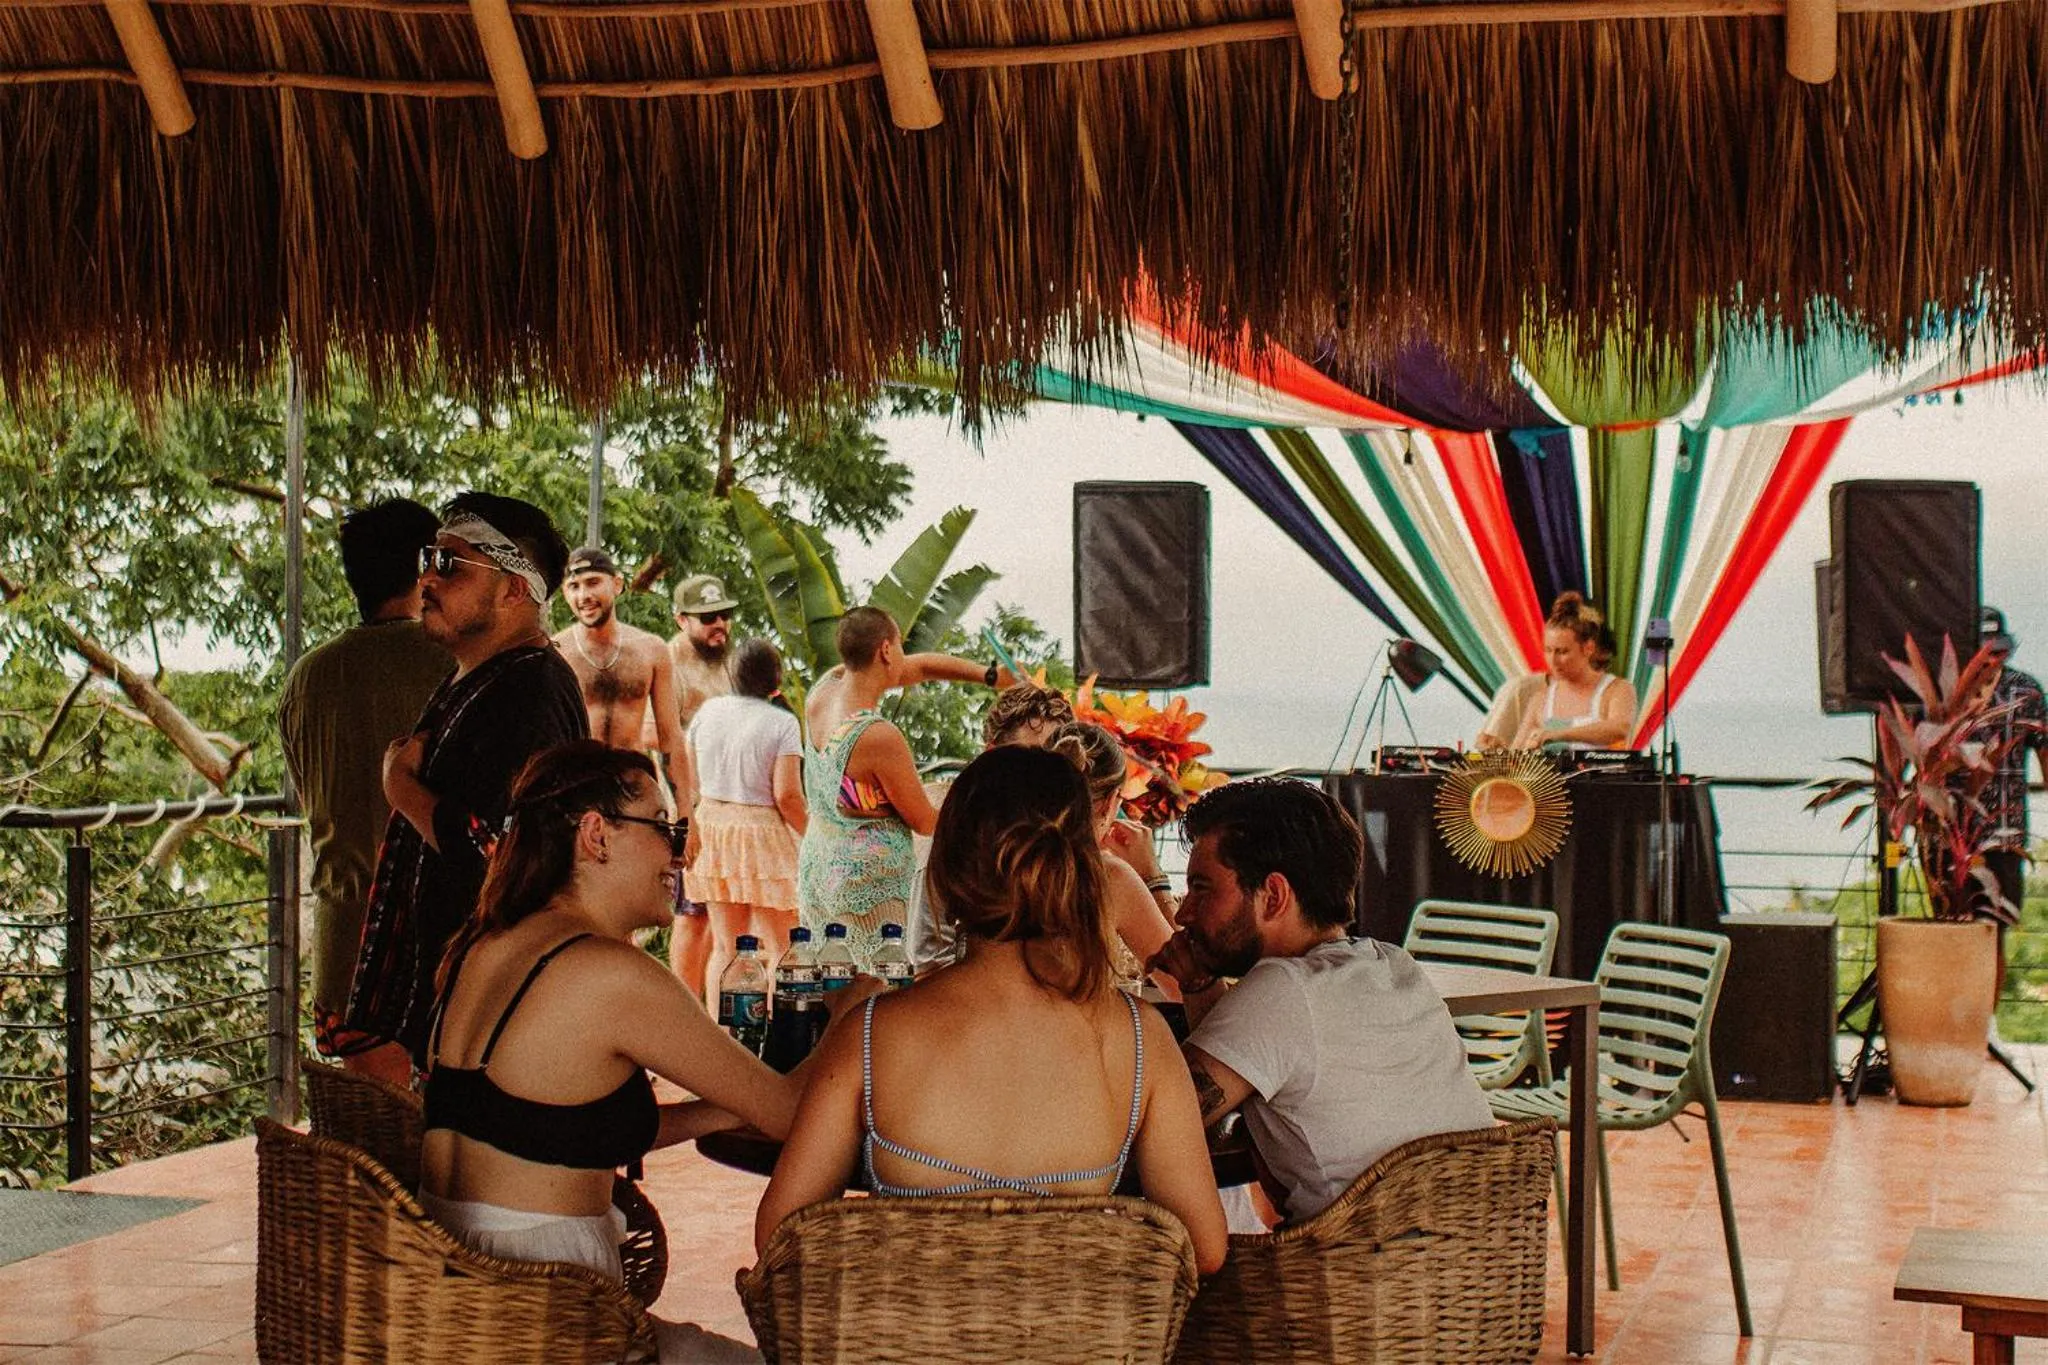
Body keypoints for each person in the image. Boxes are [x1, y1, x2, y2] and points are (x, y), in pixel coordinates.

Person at [422, 741, 868, 1364]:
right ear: (596, 835)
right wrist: (856, 1012)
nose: (680, 852)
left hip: (462, 1309)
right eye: (664, 827)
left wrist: (723, 1109)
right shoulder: (611, 973)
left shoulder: (481, 947)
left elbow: (546, 1127)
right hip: (561, 1324)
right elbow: (795, 1114)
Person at [755, 744, 1228, 1275]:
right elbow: (1205, 1249)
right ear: (1082, 870)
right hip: (1075, 1322)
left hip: (911, 1322)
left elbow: (779, 1233)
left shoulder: (873, 1030)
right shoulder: (1139, 1037)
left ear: (947, 873)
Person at [1148, 777, 1494, 1228]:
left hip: (1353, 1261)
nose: (1183, 913)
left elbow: (1156, 1122)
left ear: (1274, 896)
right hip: (1465, 1251)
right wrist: (1197, 983)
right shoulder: (1393, 963)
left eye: (1201, 888)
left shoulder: (1282, 989)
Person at [343, 492, 588, 1072]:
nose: (426, 578)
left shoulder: (529, 693)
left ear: (513, 589)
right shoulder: (486, 676)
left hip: (493, 1020)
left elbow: (500, 851)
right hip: (461, 1011)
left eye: (449, 565)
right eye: (427, 560)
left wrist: (401, 788)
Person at [279, 499, 451, 1078]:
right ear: (426, 568)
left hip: (345, 946)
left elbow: (311, 795)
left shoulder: (308, 676)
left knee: (375, 1122)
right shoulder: (455, 663)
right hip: (436, 944)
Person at [797, 606, 1012, 961]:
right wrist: (986, 810)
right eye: (899, 645)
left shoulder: (823, 692)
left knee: (828, 977)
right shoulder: (877, 736)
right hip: (867, 891)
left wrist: (990, 676)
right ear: (885, 650)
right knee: (876, 985)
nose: (904, 655)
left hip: (820, 870)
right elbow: (925, 821)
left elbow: (921, 667)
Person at [685, 638, 806, 1007]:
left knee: (727, 946)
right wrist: (813, 836)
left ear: (732, 675)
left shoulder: (708, 711)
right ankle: (782, 1032)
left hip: (713, 827)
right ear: (775, 680)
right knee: (784, 945)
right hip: (761, 834)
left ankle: (721, 1034)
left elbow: (690, 777)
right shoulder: (782, 723)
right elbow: (787, 796)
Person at [1045, 722, 1179, 993]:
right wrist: (1153, 876)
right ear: (1110, 803)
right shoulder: (1107, 878)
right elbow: (1185, 986)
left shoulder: (1001, 859)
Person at [659, 572, 739, 997]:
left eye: (723, 615)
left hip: (726, 812)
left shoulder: (728, 661)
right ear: (681, 620)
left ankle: (705, 1015)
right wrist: (681, 816)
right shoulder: (670, 663)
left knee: (715, 918)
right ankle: (683, 1010)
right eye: (707, 618)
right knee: (691, 916)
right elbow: (659, 743)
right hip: (690, 810)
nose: (719, 624)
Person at [554, 547, 687, 794]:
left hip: (634, 784)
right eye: (574, 586)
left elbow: (670, 737)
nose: (584, 595)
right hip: (578, 788)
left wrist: (684, 808)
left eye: (593, 582)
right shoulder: (557, 652)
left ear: (616, 585)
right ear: (565, 593)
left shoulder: (651, 649)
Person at [1973, 608, 2047, 1005]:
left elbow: (2045, 750)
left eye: (1999, 652)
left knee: (1993, 931)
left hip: (2005, 832)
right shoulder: (1949, 691)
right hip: (1956, 834)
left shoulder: (2026, 692)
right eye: (1984, 652)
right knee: (1953, 929)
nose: (1991, 660)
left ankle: (1986, 1022)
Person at [1476, 591, 1638, 751]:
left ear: (1588, 648)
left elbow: (1619, 729)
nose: (1553, 661)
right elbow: (1517, 757)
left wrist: (1557, 734)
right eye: (1548, 650)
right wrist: (1500, 750)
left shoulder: (1618, 689)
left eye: (1562, 652)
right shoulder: (1540, 699)